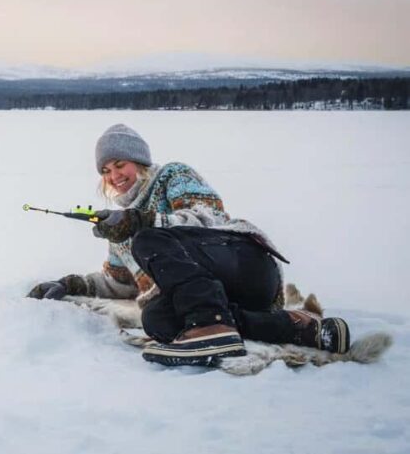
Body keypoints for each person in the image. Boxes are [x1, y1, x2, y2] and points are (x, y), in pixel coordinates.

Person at [27, 123, 350, 366]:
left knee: (148, 240)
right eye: (106, 171)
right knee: (156, 319)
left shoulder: (172, 175)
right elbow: (118, 282)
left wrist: (140, 221)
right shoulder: (121, 225)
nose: (114, 176)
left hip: (245, 264)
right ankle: (298, 328)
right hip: (215, 297)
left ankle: (209, 326)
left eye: (119, 164)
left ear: (138, 160)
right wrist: (70, 284)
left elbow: (207, 217)